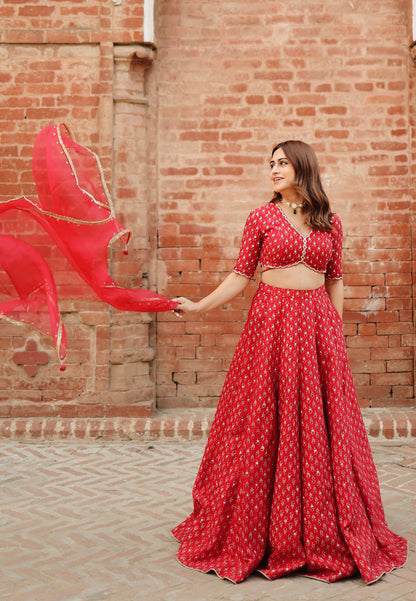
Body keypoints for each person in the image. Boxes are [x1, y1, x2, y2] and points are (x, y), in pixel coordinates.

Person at [171, 140, 407, 584]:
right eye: (271, 164)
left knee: (321, 427)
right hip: (271, 327)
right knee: (262, 421)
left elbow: (335, 280)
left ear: (303, 168)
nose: (274, 170)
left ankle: (321, 531)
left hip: (317, 330)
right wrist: (200, 307)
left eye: (282, 163)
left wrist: (334, 336)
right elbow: (241, 276)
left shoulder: (330, 223)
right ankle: (258, 531)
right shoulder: (260, 217)